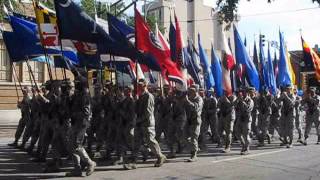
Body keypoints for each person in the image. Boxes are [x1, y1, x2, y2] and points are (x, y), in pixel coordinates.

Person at [66, 69, 96, 177]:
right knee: (71, 145)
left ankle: (90, 163)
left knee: (77, 145)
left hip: (82, 123)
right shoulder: (78, 94)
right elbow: (71, 107)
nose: (75, 85)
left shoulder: (85, 95)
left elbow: (86, 113)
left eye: (77, 83)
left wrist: (74, 114)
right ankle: (77, 168)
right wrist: (69, 98)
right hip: (75, 122)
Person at [132, 79, 166, 168]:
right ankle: (133, 160)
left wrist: (138, 120)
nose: (138, 86)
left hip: (147, 123)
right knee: (136, 141)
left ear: (145, 86)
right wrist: (135, 101)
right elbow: (136, 110)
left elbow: (148, 113)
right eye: (138, 85)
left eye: (140, 85)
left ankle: (160, 156)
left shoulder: (148, 96)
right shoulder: (140, 96)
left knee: (150, 141)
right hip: (140, 123)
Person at [185, 85, 204, 162]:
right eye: (190, 90)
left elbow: (195, 108)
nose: (190, 91)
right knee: (184, 137)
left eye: (192, 90)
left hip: (195, 121)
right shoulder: (190, 98)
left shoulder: (199, 99)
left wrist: (187, 101)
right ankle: (195, 148)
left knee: (194, 138)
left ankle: (194, 154)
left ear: (196, 90)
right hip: (188, 120)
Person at [235, 87, 254, 155]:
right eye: (242, 92)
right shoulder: (240, 99)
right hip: (240, 118)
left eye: (244, 92)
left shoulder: (250, 100)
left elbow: (247, 109)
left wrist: (242, 101)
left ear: (247, 93)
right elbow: (234, 106)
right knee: (237, 133)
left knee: (246, 135)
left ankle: (247, 148)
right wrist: (238, 100)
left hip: (247, 119)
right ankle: (243, 144)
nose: (243, 93)